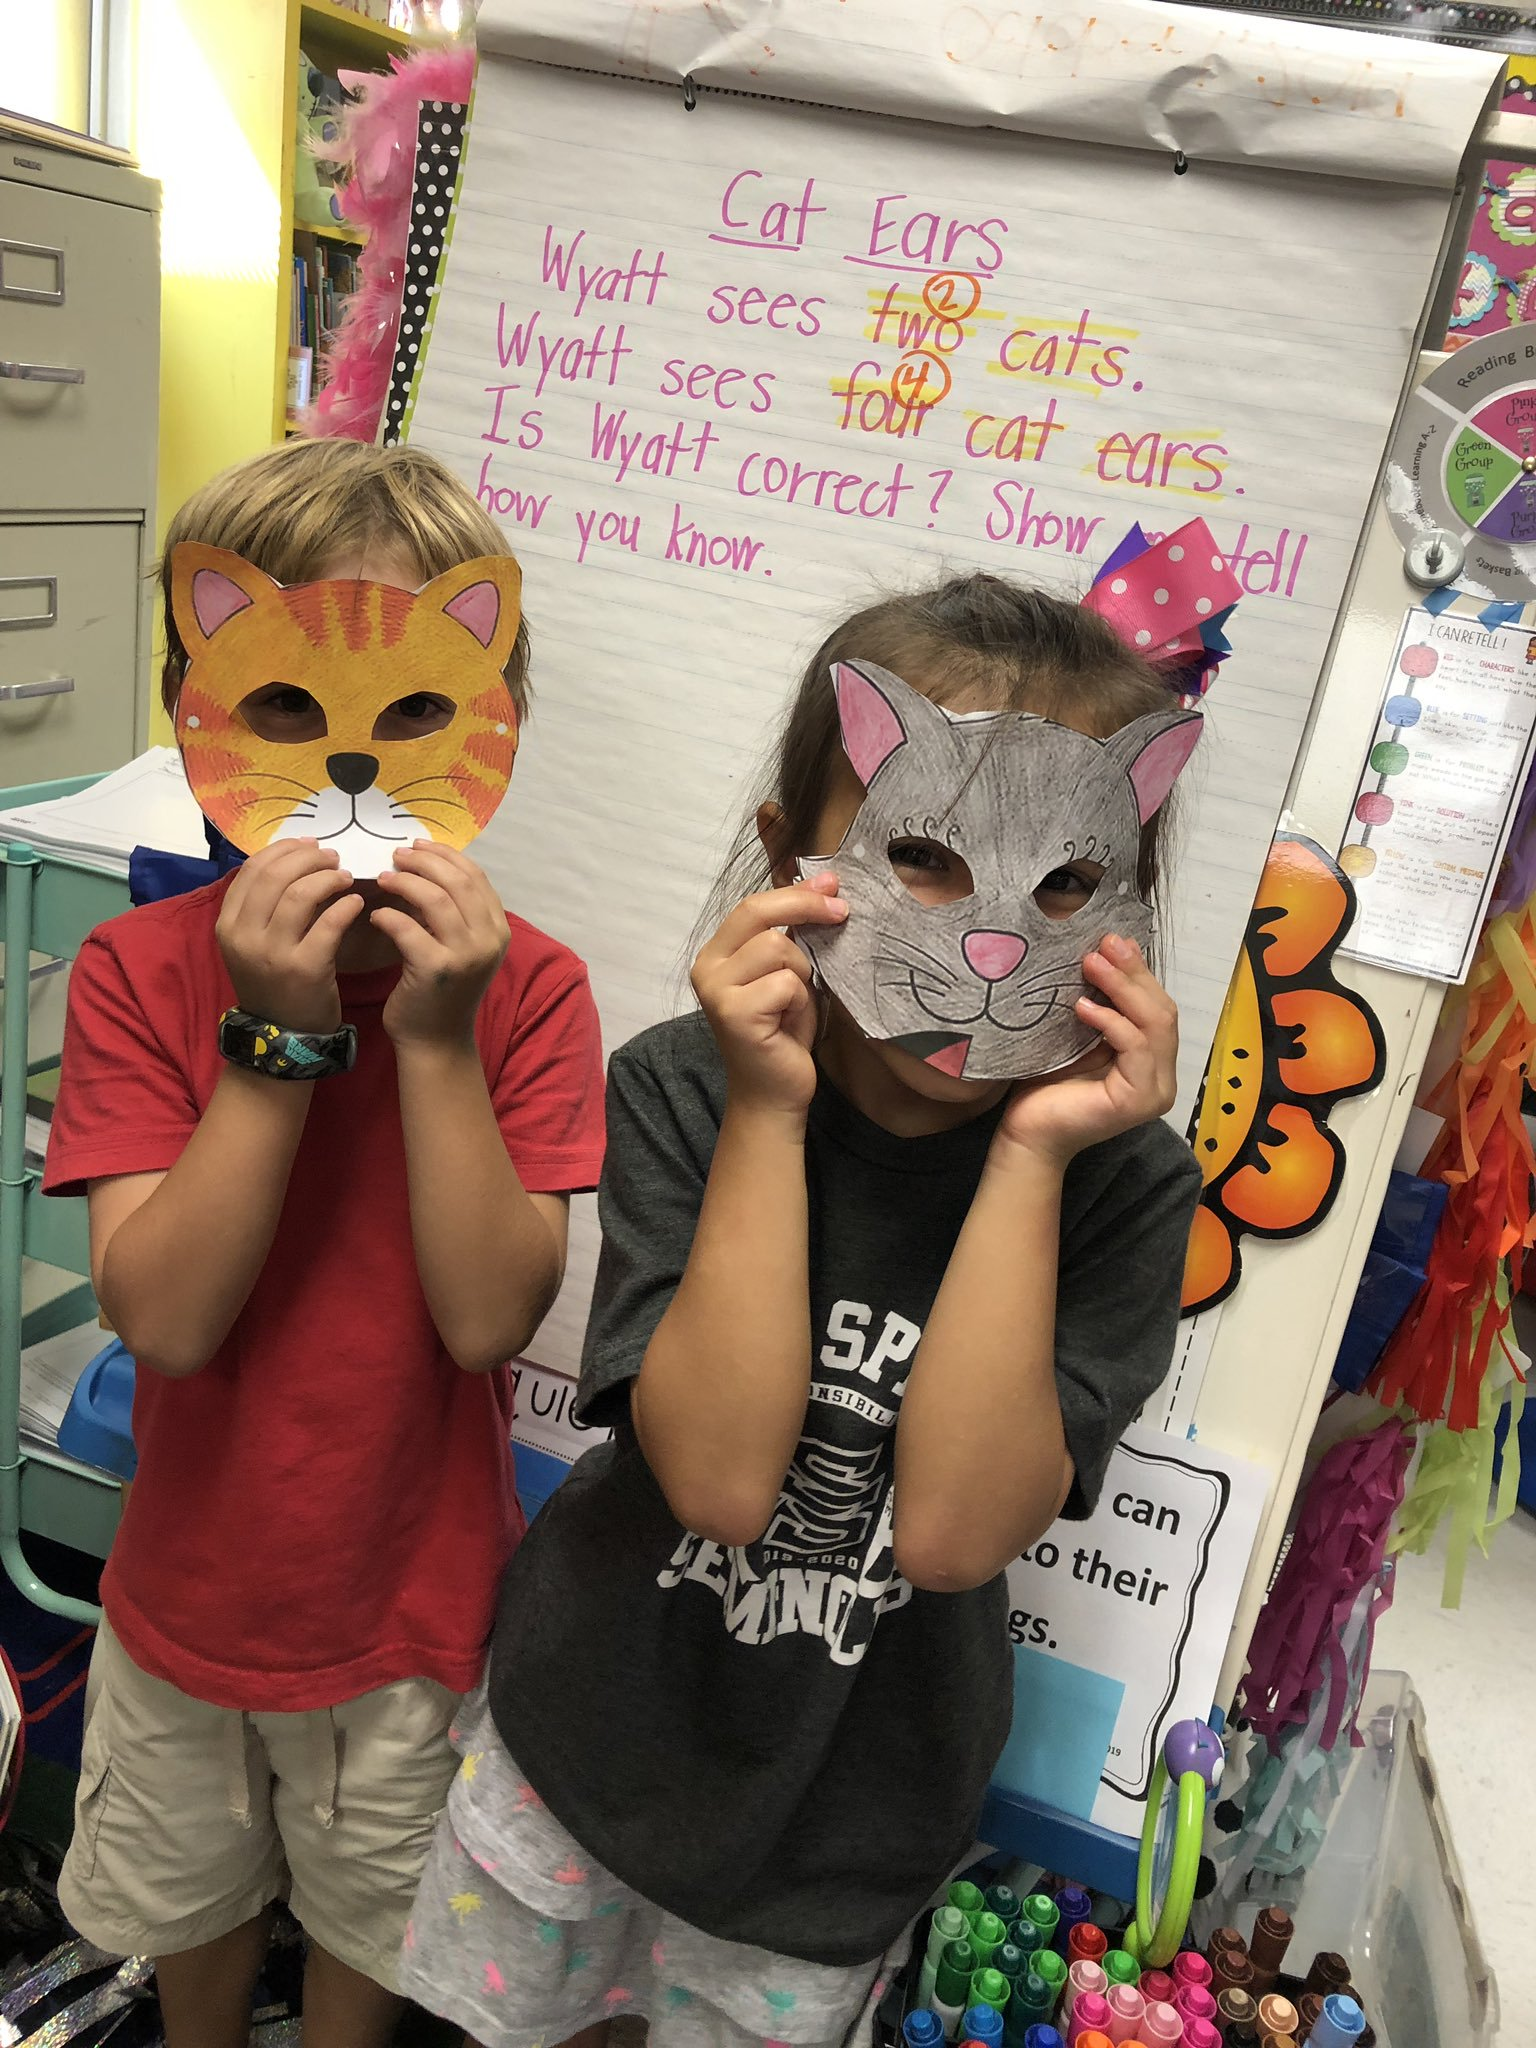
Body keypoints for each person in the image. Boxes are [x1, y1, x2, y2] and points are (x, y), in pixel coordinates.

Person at [401, 573, 1204, 2048]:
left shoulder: (1118, 1180)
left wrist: (1032, 1157)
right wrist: (769, 1112)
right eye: (926, 858)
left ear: (1126, 895)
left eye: (1066, 885)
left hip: (850, 1808)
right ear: (792, 855)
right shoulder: (685, 1087)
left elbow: (957, 1533)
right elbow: (711, 1481)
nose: (982, 942)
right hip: (588, 1735)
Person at [43, 440, 605, 2048]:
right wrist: (278, 1040)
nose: (349, 762)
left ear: (493, 709)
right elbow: (168, 1320)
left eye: (414, 709)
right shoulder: (141, 976)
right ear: (197, 707)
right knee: (195, 1940)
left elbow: (491, 1314)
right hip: (182, 1609)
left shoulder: (530, 993)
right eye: (284, 705)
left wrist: (432, 1040)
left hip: (411, 1624)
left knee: (375, 1944)